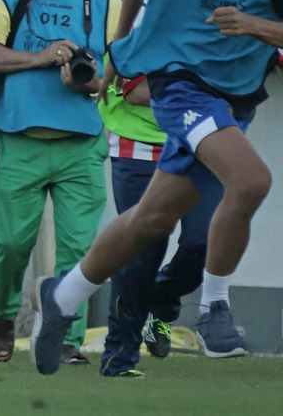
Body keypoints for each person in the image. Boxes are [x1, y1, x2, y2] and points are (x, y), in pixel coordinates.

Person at [33, 0, 283, 374]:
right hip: (179, 80)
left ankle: (63, 296)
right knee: (251, 181)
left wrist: (255, 26)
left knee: (151, 218)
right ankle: (215, 308)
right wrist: (121, 49)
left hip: (235, 93)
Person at [0, 0, 121, 365]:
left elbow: (117, 76)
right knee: (10, 243)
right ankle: (2, 317)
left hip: (82, 145)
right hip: (20, 139)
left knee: (81, 249)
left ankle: (65, 337)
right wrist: (41, 57)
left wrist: (88, 83)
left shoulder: (106, 4)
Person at [94, 47, 221, 377]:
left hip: (200, 143)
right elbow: (135, 91)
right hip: (138, 145)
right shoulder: (142, 20)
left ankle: (162, 302)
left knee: (204, 240)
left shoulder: (220, 20)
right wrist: (212, 96)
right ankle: (119, 358)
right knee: (140, 254)